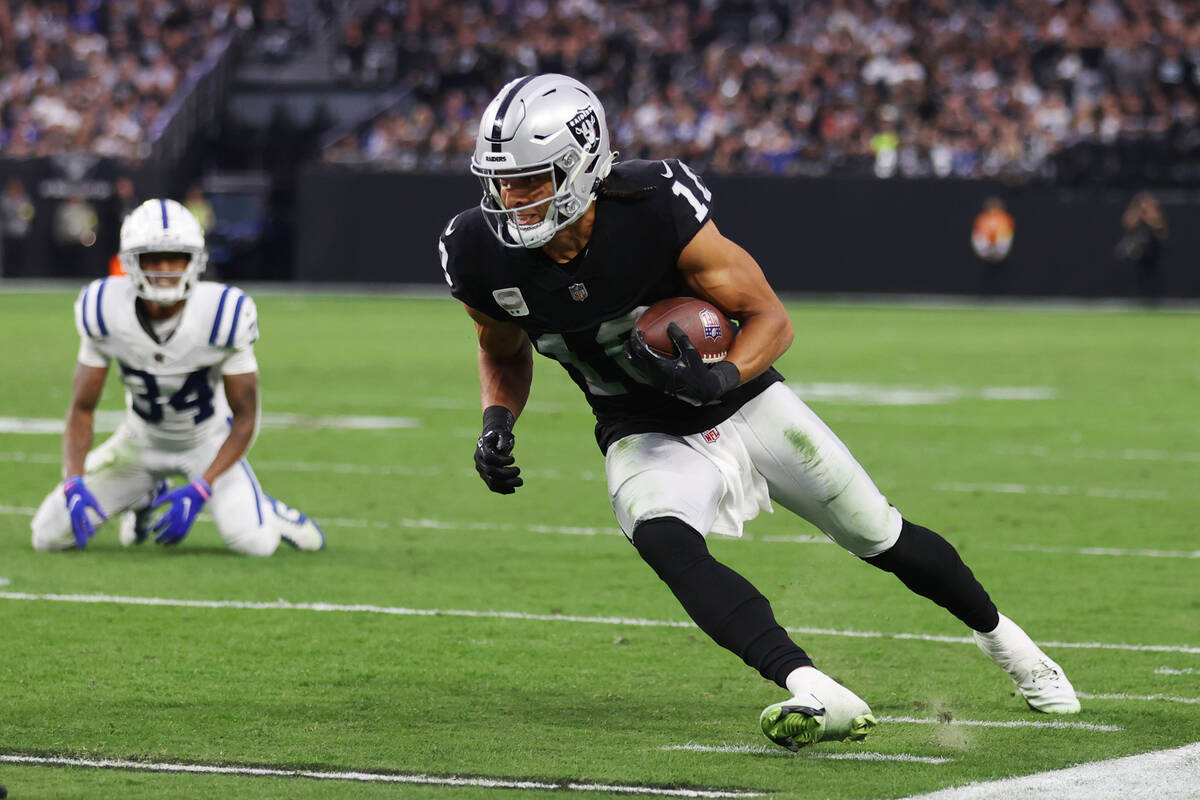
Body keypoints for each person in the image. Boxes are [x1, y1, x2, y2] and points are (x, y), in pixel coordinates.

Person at [440, 74, 1082, 750]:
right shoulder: (476, 249)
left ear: (582, 164)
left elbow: (769, 317)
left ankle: (1010, 645)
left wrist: (723, 375)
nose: (511, 199)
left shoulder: (653, 204)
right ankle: (809, 684)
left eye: (531, 180)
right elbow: (503, 352)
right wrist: (496, 420)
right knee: (662, 539)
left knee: (879, 535)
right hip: (639, 426)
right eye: (501, 182)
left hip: (745, 401)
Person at [31, 199, 325, 556]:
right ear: (131, 262)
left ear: (196, 261)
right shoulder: (103, 310)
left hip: (206, 443)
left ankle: (269, 510)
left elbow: (246, 418)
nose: (165, 269)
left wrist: (203, 487)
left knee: (255, 544)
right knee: (48, 536)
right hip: (139, 442)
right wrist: (73, 480)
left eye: (176, 257)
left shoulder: (223, 314)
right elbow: (81, 409)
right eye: (153, 258)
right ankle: (146, 494)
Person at [1116, 191, 1168, 304]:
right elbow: (1128, 222)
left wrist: (1148, 212)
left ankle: (1155, 298)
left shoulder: (1155, 214)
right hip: (1141, 253)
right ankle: (1141, 297)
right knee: (1142, 275)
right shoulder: (1136, 213)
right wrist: (1137, 211)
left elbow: (1160, 229)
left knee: (1154, 275)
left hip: (1154, 251)